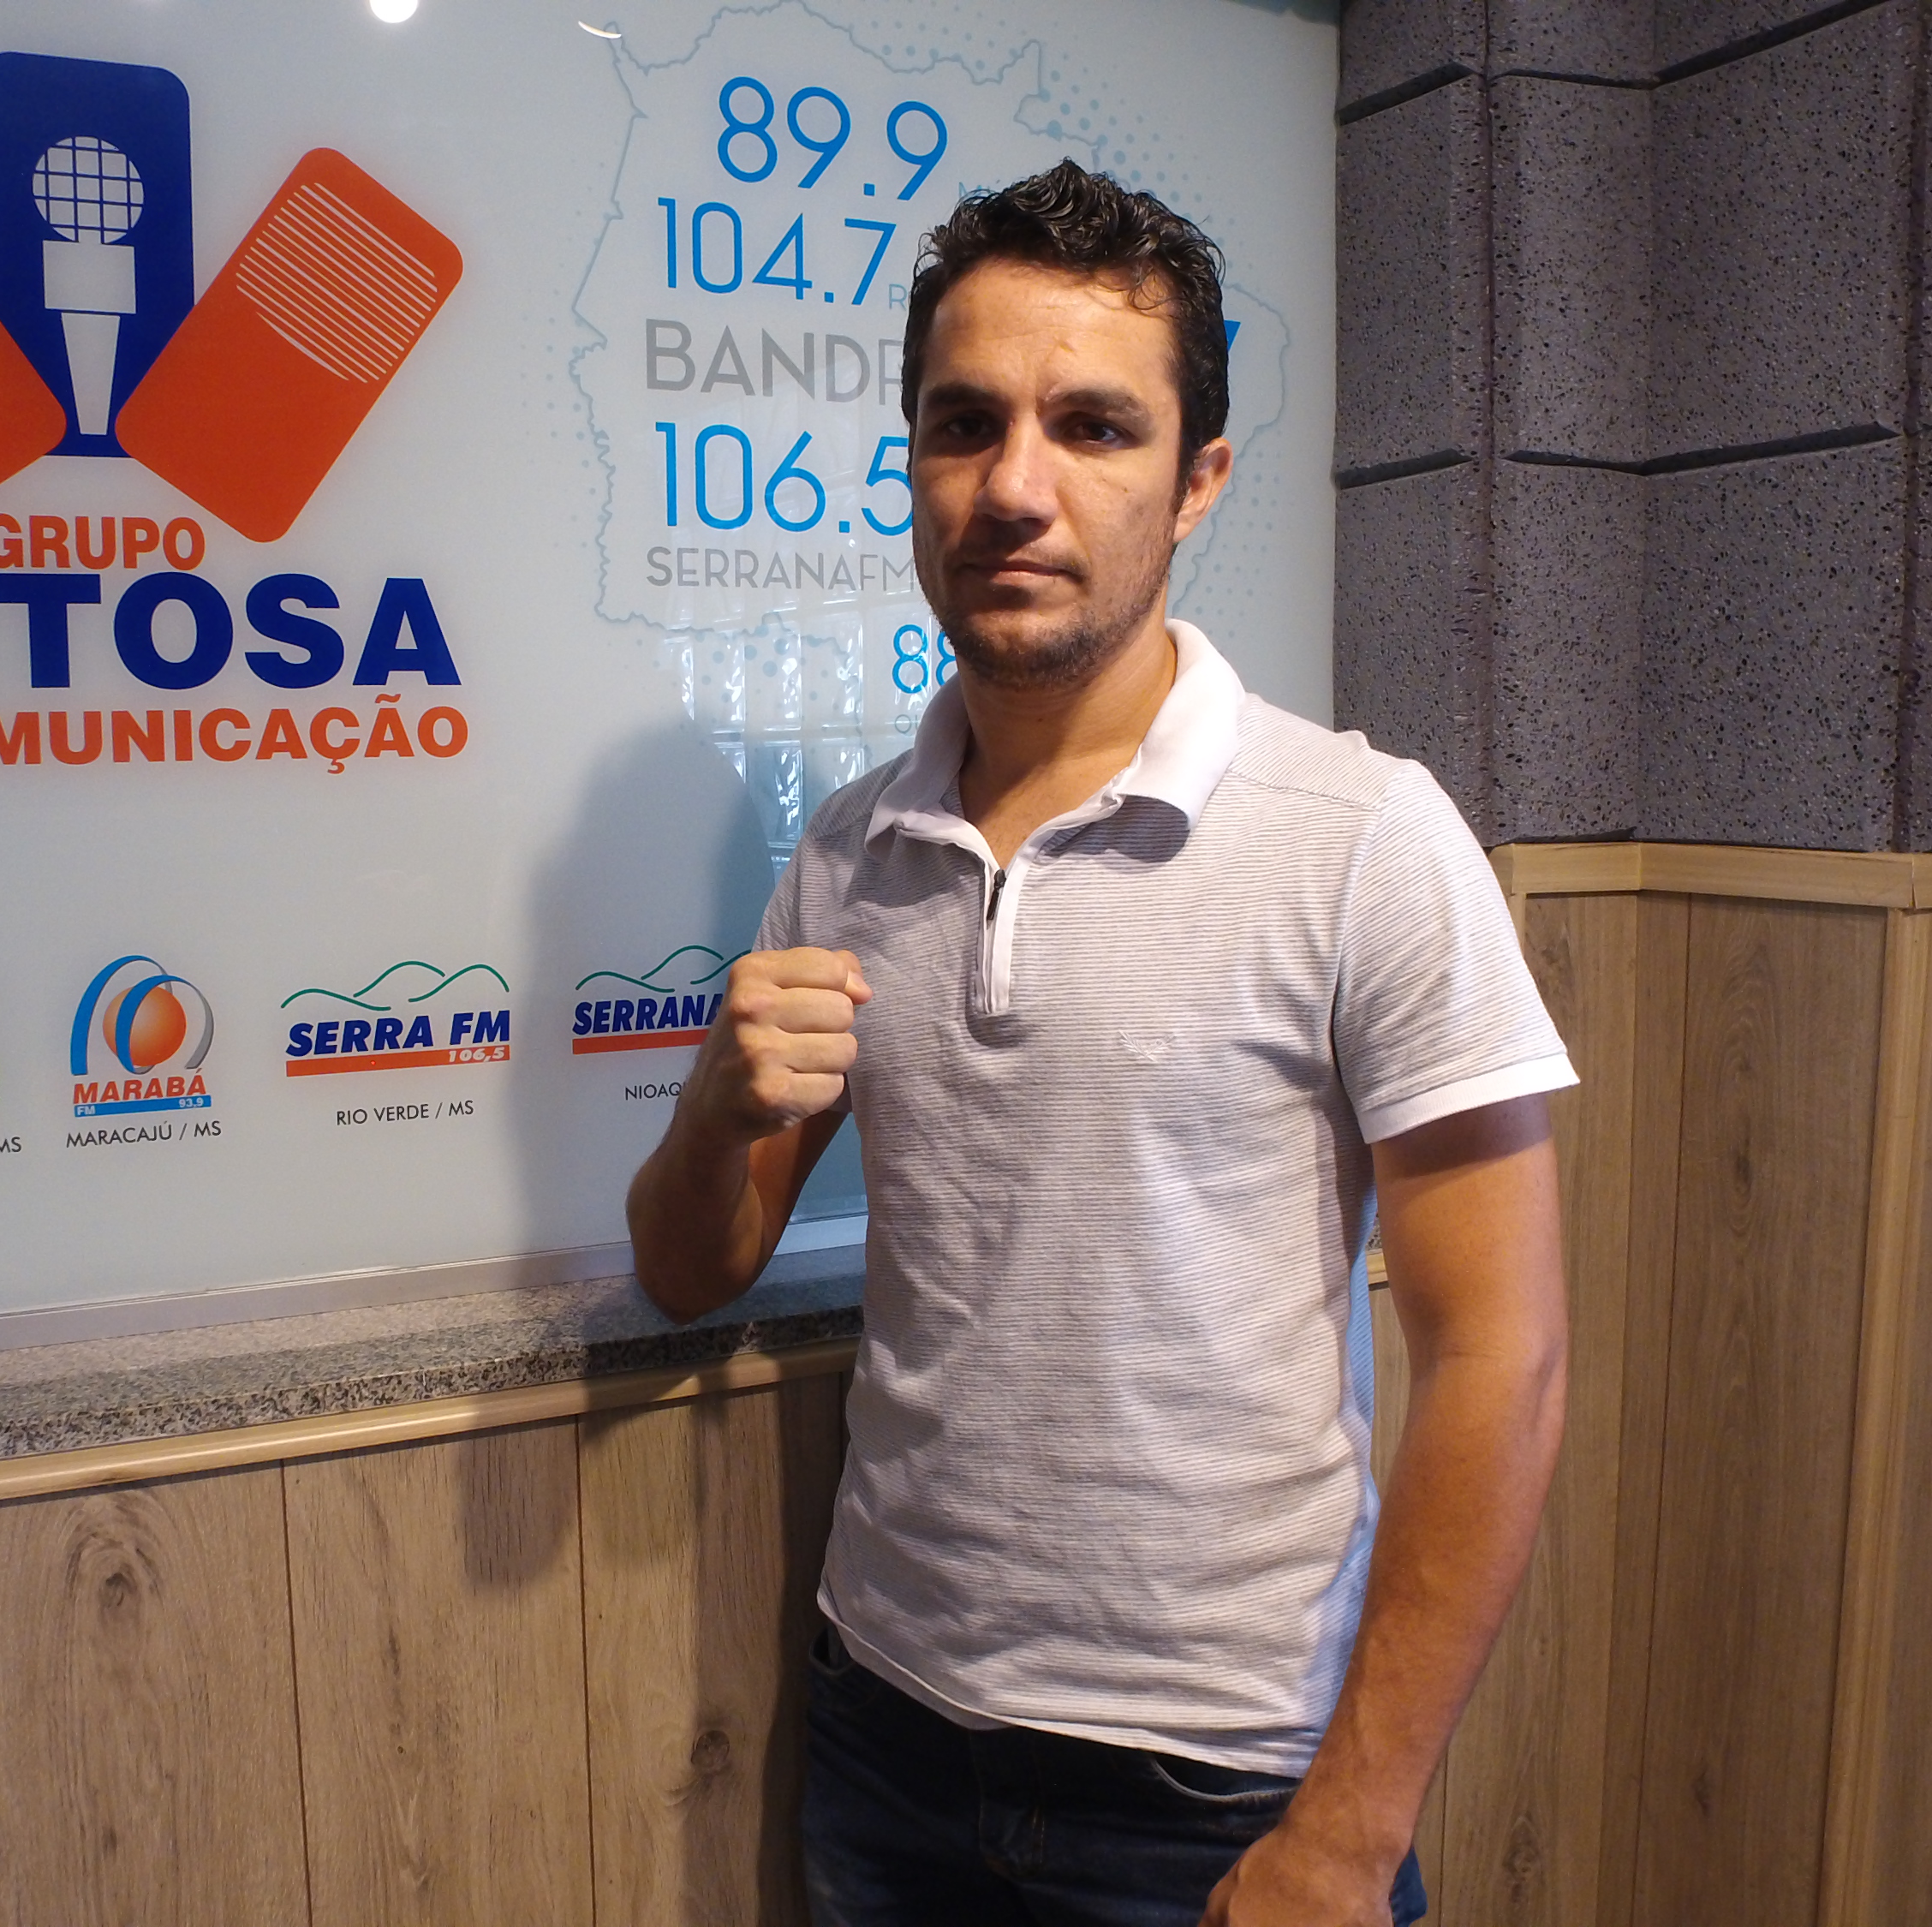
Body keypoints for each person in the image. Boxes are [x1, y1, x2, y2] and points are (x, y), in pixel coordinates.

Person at [624, 162, 1576, 1927]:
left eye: (1092, 427)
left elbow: (1500, 1359)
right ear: (914, 462)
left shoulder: (1360, 834)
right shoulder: (845, 852)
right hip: (885, 1730)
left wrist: (1350, 1833)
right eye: (963, 424)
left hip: (1222, 1785)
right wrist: (706, 1110)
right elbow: (692, 1270)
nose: (1014, 486)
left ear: (1195, 479)